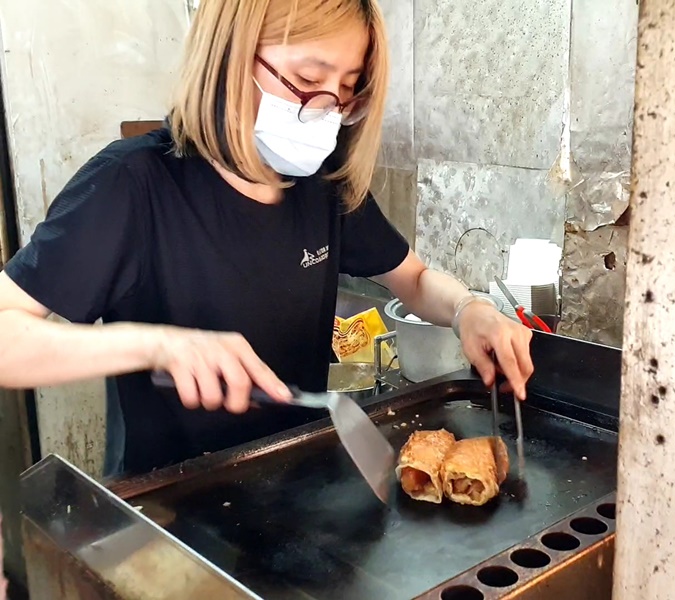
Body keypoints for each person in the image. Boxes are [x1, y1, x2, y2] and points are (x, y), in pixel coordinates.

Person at [0, 0, 533, 476]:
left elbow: (413, 280)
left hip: (296, 488)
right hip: (169, 510)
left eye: (346, 89)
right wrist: (156, 344)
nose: (325, 109)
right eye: (307, 78)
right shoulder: (132, 186)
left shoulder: (323, 185)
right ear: (229, 57)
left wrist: (468, 308)